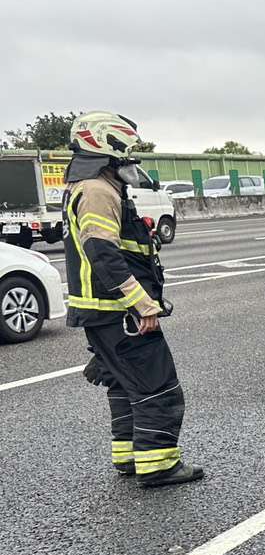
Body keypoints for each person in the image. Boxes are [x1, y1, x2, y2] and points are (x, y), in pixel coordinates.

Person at [62, 111, 204, 487]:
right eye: (125, 147)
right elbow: (103, 254)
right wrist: (141, 305)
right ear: (107, 144)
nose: (130, 155)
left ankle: (130, 457)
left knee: (126, 387)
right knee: (158, 387)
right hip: (118, 313)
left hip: (103, 313)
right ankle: (159, 465)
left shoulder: (92, 185)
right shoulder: (96, 190)